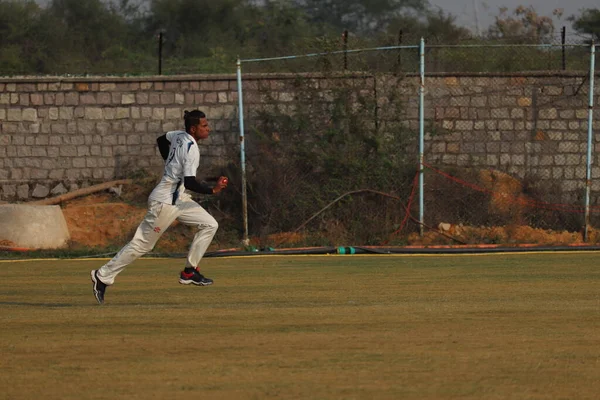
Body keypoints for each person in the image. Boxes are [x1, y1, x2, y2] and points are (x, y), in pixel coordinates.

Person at [91, 109, 228, 305]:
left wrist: (170, 164)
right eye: (204, 126)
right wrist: (213, 190)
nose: (209, 129)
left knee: (209, 224)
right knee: (142, 244)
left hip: (179, 198)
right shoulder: (191, 148)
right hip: (164, 202)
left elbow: (161, 139)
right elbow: (190, 182)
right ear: (193, 128)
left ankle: (190, 271)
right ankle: (102, 276)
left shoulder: (178, 135)